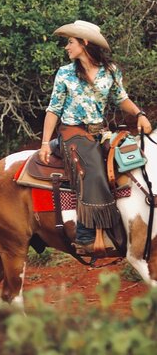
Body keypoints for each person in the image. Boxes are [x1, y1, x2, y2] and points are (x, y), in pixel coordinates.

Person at [39, 20, 152, 255]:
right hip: (72, 132)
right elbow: (54, 109)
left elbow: (121, 98)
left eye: (70, 42)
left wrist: (139, 114)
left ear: (85, 43)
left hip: (99, 131)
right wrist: (44, 143)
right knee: (92, 166)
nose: (67, 47)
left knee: (130, 154)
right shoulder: (65, 73)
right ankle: (85, 234)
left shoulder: (110, 72)